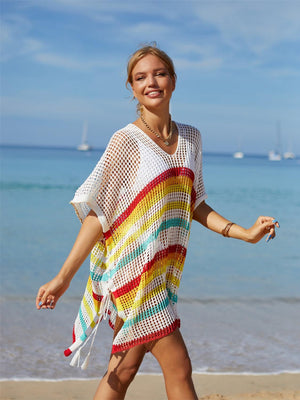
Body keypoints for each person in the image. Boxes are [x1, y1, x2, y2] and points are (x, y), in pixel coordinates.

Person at [36, 44, 279, 400]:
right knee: (174, 365)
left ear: (173, 81)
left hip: (160, 273)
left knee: (125, 367)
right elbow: (98, 213)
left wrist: (244, 233)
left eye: (159, 73)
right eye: (140, 77)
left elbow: (194, 202)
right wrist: (63, 278)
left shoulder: (191, 139)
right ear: (132, 88)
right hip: (130, 273)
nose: (151, 82)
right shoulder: (126, 142)